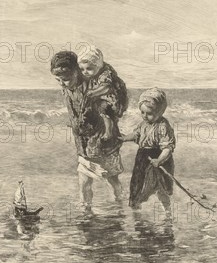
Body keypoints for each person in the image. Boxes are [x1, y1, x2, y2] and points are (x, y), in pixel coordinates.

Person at [50, 51, 124, 210]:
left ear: (77, 72)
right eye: (58, 80)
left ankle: (118, 207)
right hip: (83, 145)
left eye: (66, 79)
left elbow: (110, 108)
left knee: (111, 179)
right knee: (84, 181)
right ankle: (86, 209)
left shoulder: (93, 86)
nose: (62, 83)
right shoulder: (67, 88)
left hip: (103, 144)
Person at [120, 88, 175, 216]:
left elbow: (167, 148)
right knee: (138, 184)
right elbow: (136, 135)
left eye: (149, 113)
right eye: (142, 112)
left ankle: (167, 212)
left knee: (162, 187)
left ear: (160, 111)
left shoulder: (163, 126)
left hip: (159, 159)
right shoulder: (143, 124)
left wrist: (159, 160)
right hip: (143, 158)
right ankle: (137, 212)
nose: (145, 116)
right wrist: (124, 138)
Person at [77, 47, 128, 141]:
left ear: (98, 65)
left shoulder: (106, 73)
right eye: (82, 69)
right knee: (90, 107)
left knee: (103, 108)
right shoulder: (96, 72)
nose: (85, 72)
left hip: (115, 99)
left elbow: (107, 87)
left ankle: (108, 133)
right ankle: (85, 127)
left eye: (89, 68)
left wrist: (93, 92)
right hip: (105, 97)